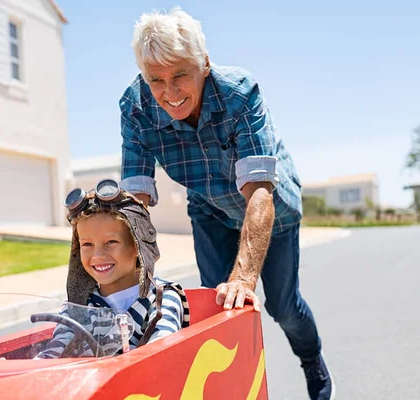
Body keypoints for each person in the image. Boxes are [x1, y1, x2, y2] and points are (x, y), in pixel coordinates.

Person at [118, 8, 334, 400]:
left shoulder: (239, 93)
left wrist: (244, 277)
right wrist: (124, 279)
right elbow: (136, 198)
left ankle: (312, 360)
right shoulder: (135, 107)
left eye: (180, 74)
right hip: (210, 209)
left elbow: (259, 192)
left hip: (272, 209)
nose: (170, 92)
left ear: (203, 63)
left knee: (281, 308)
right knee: (216, 308)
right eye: (156, 80)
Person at [35, 179, 189, 359]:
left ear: (138, 246)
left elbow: (162, 348)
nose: (98, 255)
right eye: (87, 244)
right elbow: (55, 352)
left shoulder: (162, 297)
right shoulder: (80, 305)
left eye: (111, 242)